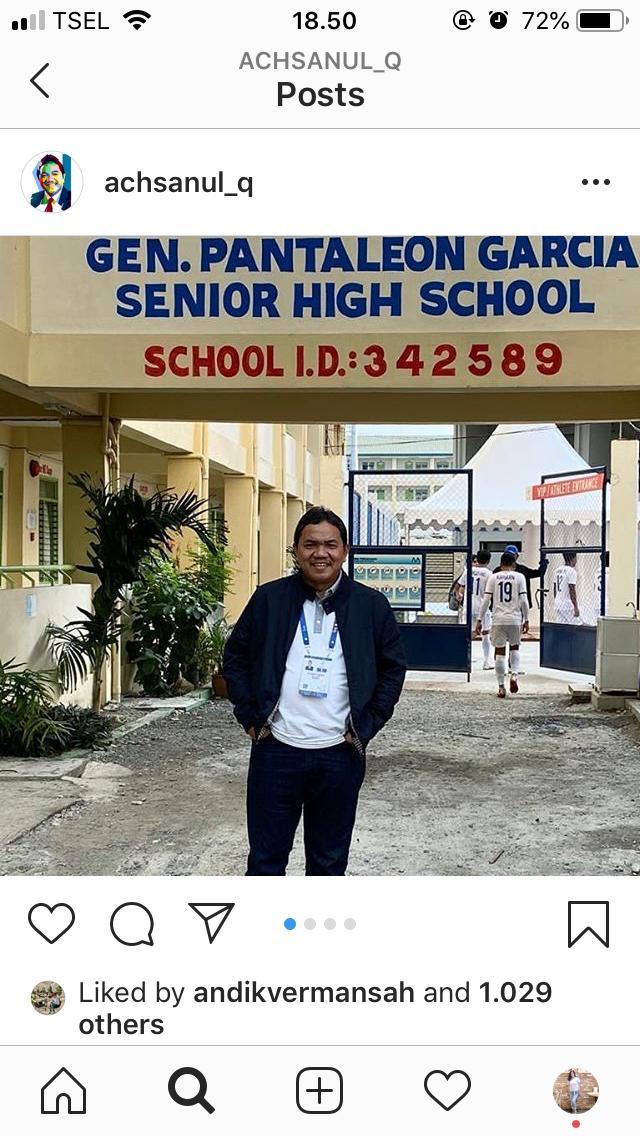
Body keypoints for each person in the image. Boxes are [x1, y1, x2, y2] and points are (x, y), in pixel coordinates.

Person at [223, 505, 407, 876]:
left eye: (330, 545)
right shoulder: (269, 599)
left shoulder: (370, 605)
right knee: (265, 862)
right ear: (295, 550)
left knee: (328, 864)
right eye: (310, 544)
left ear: (345, 550)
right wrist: (249, 717)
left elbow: (393, 669)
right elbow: (235, 657)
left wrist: (367, 725)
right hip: (276, 751)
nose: (320, 553)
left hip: (339, 754)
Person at [477, 551, 529, 698]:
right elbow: (524, 601)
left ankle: (501, 687)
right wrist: (526, 619)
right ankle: (514, 675)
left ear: (500, 564)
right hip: (515, 618)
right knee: (515, 648)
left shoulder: (493, 577)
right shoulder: (520, 577)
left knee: (499, 652)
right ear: (514, 564)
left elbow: (486, 601)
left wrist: (480, 619)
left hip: (498, 619)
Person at [456, 550, 493, 669]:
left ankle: (465, 658)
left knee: (467, 634)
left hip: (469, 606)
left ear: (477, 559)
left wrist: (460, 594)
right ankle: (486, 662)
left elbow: (461, 586)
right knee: (485, 634)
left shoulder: (468, 571)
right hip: (482, 607)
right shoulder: (489, 574)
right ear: (488, 561)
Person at [499, 543, 548, 610]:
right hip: (504, 605)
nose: (510, 557)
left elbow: (539, 573)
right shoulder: (498, 571)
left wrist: (543, 559)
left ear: (517, 556)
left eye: (512, 555)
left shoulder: (522, 570)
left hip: (516, 606)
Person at [553, 552, 581, 623]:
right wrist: (575, 607)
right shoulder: (572, 571)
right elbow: (572, 589)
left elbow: (555, 589)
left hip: (558, 603)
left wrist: (557, 600)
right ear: (573, 558)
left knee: (562, 626)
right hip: (567, 605)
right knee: (577, 624)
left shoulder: (557, 570)